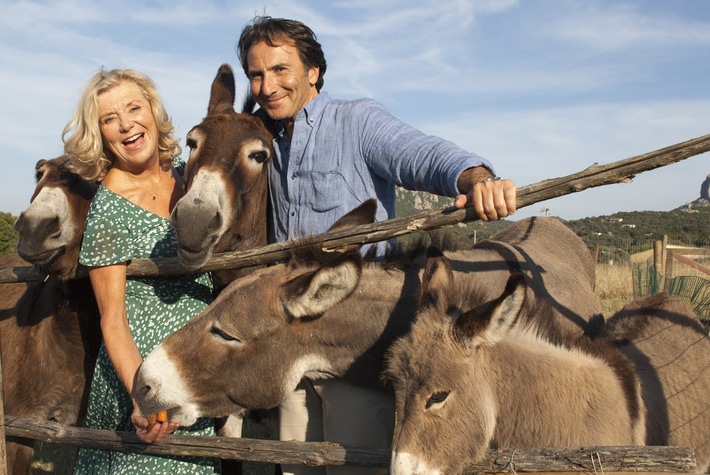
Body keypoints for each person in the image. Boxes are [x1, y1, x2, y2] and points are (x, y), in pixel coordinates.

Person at [236, 16, 517, 475]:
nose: (268, 86)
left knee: (356, 466)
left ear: (313, 72)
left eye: (280, 69)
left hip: (359, 349)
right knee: (294, 467)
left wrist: (477, 178)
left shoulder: (357, 121)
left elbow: (420, 152)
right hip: (292, 348)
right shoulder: (267, 142)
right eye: (257, 74)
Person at [63, 68, 220, 474]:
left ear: (153, 110)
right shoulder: (109, 206)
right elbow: (112, 318)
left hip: (196, 368)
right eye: (109, 118)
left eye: (134, 108)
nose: (127, 124)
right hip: (144, 377)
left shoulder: (189, 175)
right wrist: (143, 394)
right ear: (99, 134)